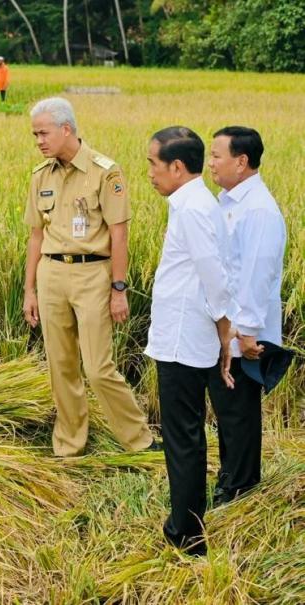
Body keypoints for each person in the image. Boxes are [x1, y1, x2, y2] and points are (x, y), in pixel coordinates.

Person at [23, 97, 157, 458]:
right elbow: (36, 235)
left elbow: (119, 235)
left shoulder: (105, 172)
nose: (39, 141)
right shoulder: (41, 176)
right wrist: (29, 289)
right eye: (35, 134)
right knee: (61, 365)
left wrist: (118, 288)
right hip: (52, 274)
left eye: (43, 133)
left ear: (66, 129)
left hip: (92, 275)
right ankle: (70, 445)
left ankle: (139, 441)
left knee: (98, 368)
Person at [144, 126, 236, 556]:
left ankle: (186, 533)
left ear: (177, 167)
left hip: (184, 339)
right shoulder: (195, 202)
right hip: (184, 334)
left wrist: (224, 329)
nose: (149, 173)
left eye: (153, 164)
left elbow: (213, 273)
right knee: (188, 433)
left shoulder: (193, 208)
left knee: (183, 436)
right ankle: (187, 521)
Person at [207, 126, 286, 506]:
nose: (210, 164)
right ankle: (231, 478)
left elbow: (258, 271)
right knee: (228, 408)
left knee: (238, 412)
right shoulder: (231, 202)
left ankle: (239, 488)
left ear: (241, 162)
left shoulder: (258, 209)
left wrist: (249, 332)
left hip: (243, 333)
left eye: (216, 156)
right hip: (230, 328)